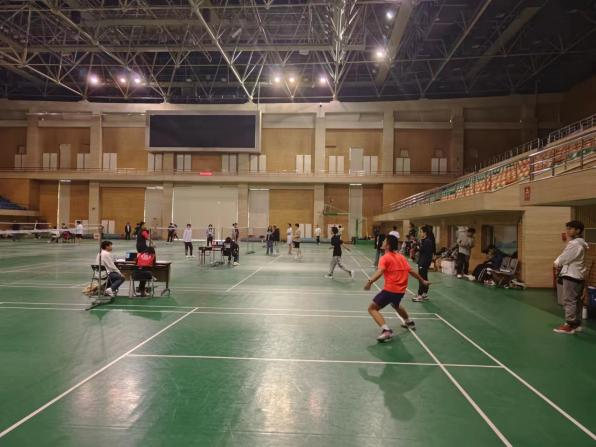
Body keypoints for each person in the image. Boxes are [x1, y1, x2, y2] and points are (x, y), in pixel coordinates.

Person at [364, 235, 429, 342]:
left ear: (388, 245)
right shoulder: (401, 257)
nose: (382, 242)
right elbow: (411, 271)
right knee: (395, 304)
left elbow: (380, 271)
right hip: (400, 291)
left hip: (390, 290)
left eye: (384, 241)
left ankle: (386, 331)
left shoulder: (385, 258)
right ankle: (409, 322)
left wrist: (370, 282)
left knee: (372, 309)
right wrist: (422, 281)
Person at [553, 220, 588, 334]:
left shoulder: (575, 244)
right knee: (577, 301)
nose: (568, 231)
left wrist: (556, 262)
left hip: (571, 275)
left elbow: (565, 258)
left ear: (578, 230)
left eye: (570, 229)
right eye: (567, 228)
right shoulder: (581, 243)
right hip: (578, 275)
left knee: (569, 300)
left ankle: (569, 325)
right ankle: (577, 324)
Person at [413, 225, 436, 302]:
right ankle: (424, 294)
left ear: (425, 232)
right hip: (424, 262)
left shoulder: (427, 241)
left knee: (421, 279)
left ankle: (420, 295)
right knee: (424, 278)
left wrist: (418, 245)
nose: (420, 233)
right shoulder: (426, 240)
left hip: (423, 262)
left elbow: (422, 250)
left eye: (421, 232)